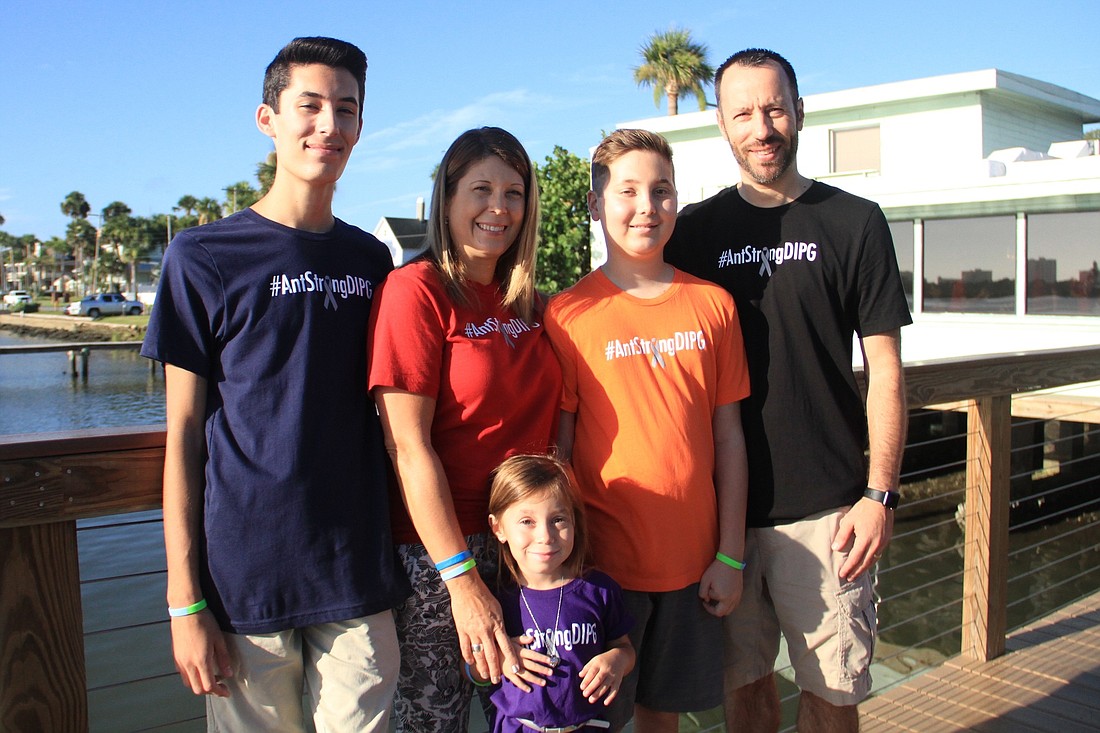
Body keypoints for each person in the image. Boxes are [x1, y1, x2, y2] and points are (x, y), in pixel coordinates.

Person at [141, 37, 409, 731]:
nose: (329, 125)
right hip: (244, 585)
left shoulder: (370, 259)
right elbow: (183, 435)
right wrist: (184, 601)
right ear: (268, 119)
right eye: (309, 105)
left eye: (346, 109)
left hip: (356, 572)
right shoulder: (201, 257)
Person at [664, 48, 911, 732]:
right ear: (722, 124)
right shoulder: (693, 234)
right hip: (723, 520)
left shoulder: (855, 221)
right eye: (743, 113)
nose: (761, 127)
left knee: (834, 699)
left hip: (832, 516)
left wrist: (880, 495)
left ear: (799, 111)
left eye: (774, 109)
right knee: (744, 694)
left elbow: (886, 369)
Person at [545, 129, 751, 733]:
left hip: (695, 566)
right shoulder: (567, 313)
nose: (647, 207)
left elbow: (729, 438)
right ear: (595, 204)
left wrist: (731, 555)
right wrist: (563, 565)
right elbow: (561, 448)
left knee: (664, 718)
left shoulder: (714, 305)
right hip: (602, 569)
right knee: (596, 718)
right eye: (627, 191)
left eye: (661, 190)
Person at [368, 126, 564, 732]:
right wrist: (462, 581)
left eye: (514, 193)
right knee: (435, 723)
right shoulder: (415, 291)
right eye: (481, 189)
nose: (498, 208)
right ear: (447, 199)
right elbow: (406, 444)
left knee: (541, 718)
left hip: (531, 545)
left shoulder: (533, 303)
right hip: (440, 555)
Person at [472, 453, 635, 732]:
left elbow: (625, 648)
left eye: (558, 519)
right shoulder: (493, 599)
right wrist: (501, 659)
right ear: (498, 527)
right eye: (527, 521)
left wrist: (617, 660)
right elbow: (471, 671)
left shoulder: (600, 590)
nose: (546, 536)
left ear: (574, 522)